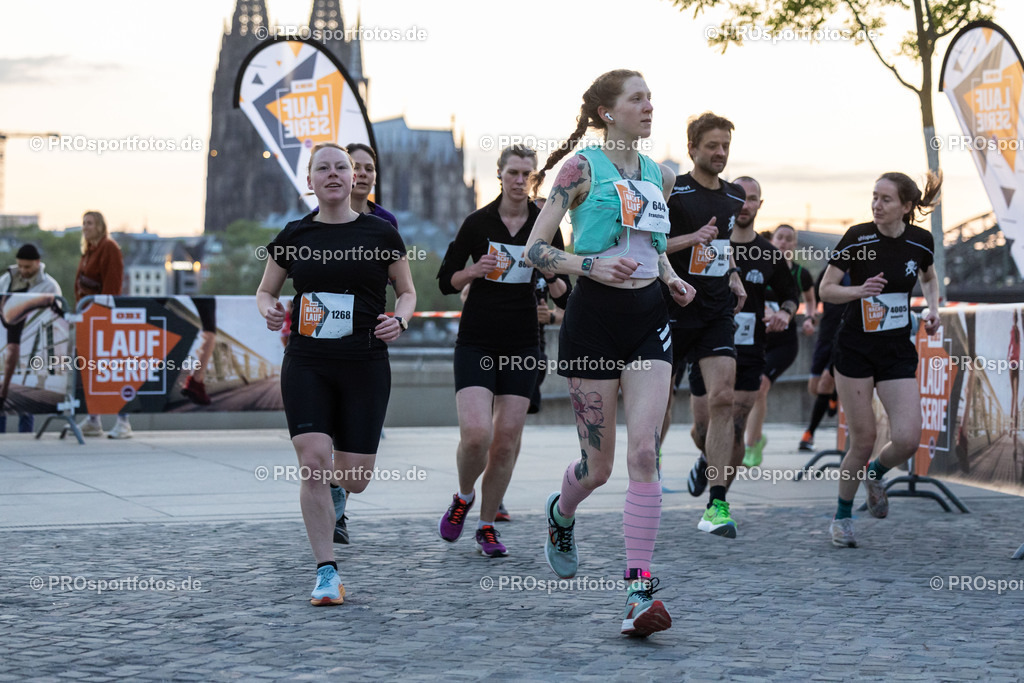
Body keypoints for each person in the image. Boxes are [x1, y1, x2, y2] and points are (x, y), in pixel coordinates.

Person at [525, 69, 695, 637]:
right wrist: (588, 265)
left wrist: (670, 276)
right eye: (638, 98)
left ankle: (638, 591)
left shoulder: (660, 175)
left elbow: (651, 242)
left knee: (643, 454)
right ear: (608, 112)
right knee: (597, 467)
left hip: (649, 320)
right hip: (592, 320)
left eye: (651, 96)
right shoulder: (579, 169)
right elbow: (534, 250)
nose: (650, 106)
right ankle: (561, 512)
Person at [257, 142, 416, 604]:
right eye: (322, 168)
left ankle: (335, 488)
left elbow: (406, 292)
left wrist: (400, 320)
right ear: (309, 181)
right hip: (307, 362)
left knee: (356, 477)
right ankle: (327, 571)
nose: (333, 174)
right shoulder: (293, 234)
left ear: (353, 178)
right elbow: (265, 291)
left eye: (341, 168)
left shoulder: (382, 233)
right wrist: (271, 310)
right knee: (312, 462)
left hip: (365, 364)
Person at [435, 145, 570, 557]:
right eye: (512, 172)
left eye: (526, 174)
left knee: (506, 443)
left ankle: (488, 525)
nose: (518, 180)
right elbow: (445, 280)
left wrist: (551, 273)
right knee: (477, 436)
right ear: (499, 175)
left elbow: (566, 293)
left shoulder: (544, 227)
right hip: (476, 339)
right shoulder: (478, 222)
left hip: (522, 343)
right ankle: (462, 497)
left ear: (533, 179)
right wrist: (473, 272)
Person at [821, 171, 942, 548]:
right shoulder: (858, 238)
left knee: (907, 438)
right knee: (864, 438)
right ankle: (842, 518)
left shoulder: (921, 241)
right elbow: (826, 289)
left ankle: (876, 473)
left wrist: (933, 310)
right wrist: (859, 290)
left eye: (886, 199)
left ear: (906, 207)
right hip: (855, 349)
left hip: (895, 351)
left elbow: (930, 278)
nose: (876, 204)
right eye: (874, 197)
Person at [661, 112, 747, 537]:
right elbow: (651, 244)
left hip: (716, 312)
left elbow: (723, 247)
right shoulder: (673, 190)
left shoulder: (734, 197)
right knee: (659, 404)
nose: (720, 153)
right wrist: (690, 239)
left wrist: (731, 273)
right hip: (672, 309)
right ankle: (647, 481)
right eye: (712, 145)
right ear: (692, 147)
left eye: (725, 146)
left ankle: (716, 504)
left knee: (724, 399)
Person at [686, 177, 799, 501]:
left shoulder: (769, 254)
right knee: (704, 430)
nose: (745, 205)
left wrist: (785, 314)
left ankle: (718, 501)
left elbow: (792, 295)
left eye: (752, 199)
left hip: (749, 352)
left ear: (760, 205)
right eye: (739, 198)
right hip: (706, 347)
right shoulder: (708, 243)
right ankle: (709, 457)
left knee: (735, 432)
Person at [744, 223, 817, 466]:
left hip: (784, 344)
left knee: (761, 386)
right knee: (749, 391)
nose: (784, 243)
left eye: (789, 239)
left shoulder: (800, 274)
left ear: (794, 245)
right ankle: (754, 437)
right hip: (757, 339)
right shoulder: (761, 268)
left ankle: (751, 445)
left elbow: (809, 299)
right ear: (772, 241)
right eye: (780, 238)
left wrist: (809, 318)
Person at [74, 211, 132, 439]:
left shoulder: (108, 248)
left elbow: (112, 285)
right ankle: (93, 419)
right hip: (88, 316)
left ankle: (123, 420)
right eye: (83, 223)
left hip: (103, 317)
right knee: (90, 369)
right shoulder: (89, 250)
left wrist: (104, 315)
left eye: (89, 223)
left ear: (100, 226)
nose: (85, 227)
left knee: (113, 369)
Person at [1, 244, 63, 433]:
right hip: (10, 332)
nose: (23, 271)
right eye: (20, 266)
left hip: (33, 340)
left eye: (27, 267)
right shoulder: (6, 279)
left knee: (27, 409)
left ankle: (25, 434)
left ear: (38, 263)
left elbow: (57, 316)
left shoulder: (50, 285)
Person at [799, 267, 849, 451]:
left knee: (825, 383)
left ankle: (808, 434)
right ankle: (833, 396)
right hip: (825, 335)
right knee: (814, 387)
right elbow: (812, 299)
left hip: (845, 337)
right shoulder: (830, 271)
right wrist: (809, 319)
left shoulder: (862, 274)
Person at [347, 143, 398, 229]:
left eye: (369, 169)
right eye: (355, 167)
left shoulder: (387, 221)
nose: (363, 173)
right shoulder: (321, 218)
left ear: (375, 178)